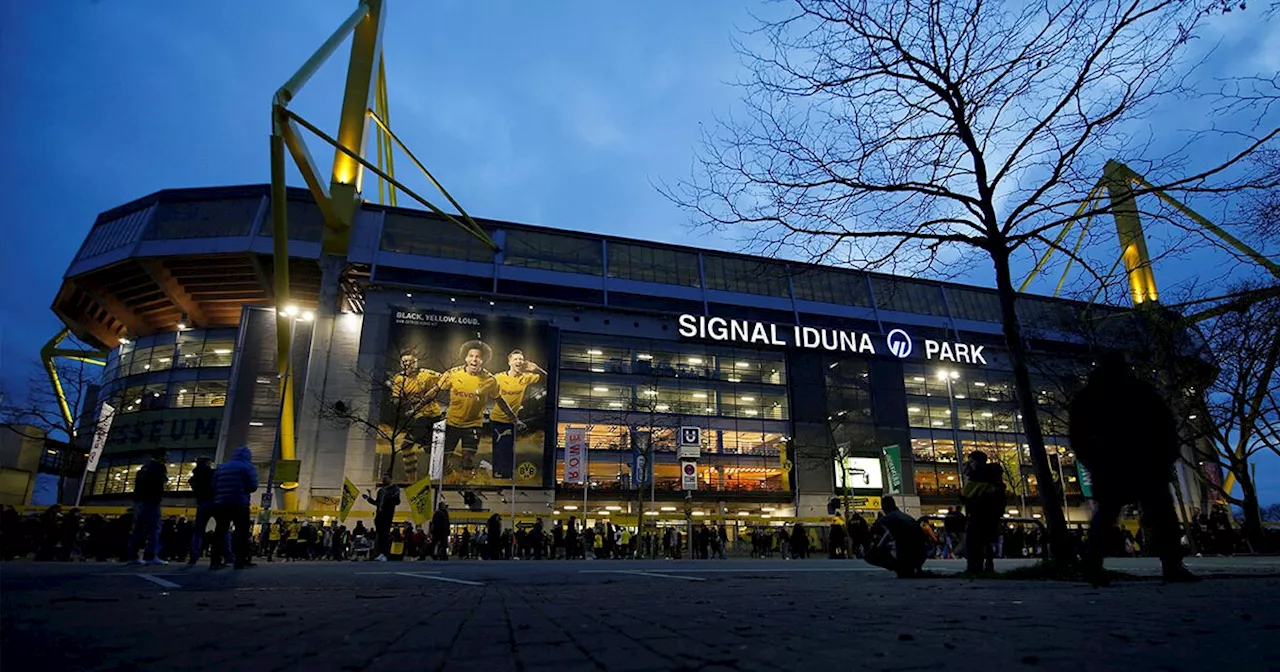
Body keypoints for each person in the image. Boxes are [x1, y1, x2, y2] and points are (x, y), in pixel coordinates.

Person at [1069, 352, 1198, 585]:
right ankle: (1171, 565)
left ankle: (1092, 565)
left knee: (1107, 514)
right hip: (1145, 462)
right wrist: (1166, 456)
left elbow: (1077, 435)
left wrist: (1091, 460)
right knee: (1162, 515)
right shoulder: (1141, 391)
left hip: (1110, 464)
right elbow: (1165, 425)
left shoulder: (1088, 396)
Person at [421, 341, 522, 480]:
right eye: (471, 356)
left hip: (473, 424)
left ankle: (467, 487)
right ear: (466, 358)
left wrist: (514, 418)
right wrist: (418, 405)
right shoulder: (452, 374)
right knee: (443, 459)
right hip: (452, 422)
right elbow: (435, 390)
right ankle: (452, 477)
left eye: (478, 357)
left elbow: (500, 400)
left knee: (468, 459)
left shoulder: (490, 380)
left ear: (483, 360)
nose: (474, 359)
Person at [491, 350, 545, 479]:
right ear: (509, 362)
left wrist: (537, 369)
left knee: (508, 448)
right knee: (498, 448)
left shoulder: (525, 378)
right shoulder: (498, 378)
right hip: (497, 418)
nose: (519, 361)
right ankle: (496, 473)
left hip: (512, 421)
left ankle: (507, 475)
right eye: (515, 359)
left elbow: (548, 379)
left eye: (521, 359)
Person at [211, 446, 259, 570]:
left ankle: (215, 561)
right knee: (241, 533)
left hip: (221, 503)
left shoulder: (222, 467)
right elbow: (253, 486)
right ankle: (240, 561)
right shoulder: (248, 467)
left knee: (220, 531)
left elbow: (214, 485)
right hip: (240, 502)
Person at [960, 451, 1005, 574]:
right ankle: (988, 567)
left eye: (971, 461)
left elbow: (964, 495)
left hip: (976, 515)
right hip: (990, 515)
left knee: (973, 543)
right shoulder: (994, 477)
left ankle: (974, 568)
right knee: (987, 543)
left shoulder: (976, 477)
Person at [865, 496, 928, 578]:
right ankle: (909, 568)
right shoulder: (906, 517)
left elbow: (873, 531)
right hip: (921, 555)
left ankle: (901, 567)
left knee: (870, 555)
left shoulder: (887, 519)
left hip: (907, 555)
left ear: (884, 507)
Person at [126, 448, 169, 566]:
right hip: (152, 500)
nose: (167, 458)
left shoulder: (143, 468)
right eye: (166, 455)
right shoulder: (159, 468)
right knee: (154, 528)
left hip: (140, 501)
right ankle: (151, 555)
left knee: (138, 529)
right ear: (161, 455)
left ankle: (133, 556)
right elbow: (158, 485)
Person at [363, 474, 401, 562]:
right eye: (383, 479)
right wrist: (369, 498)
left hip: (387, 514)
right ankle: (378, 553)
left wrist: (388, 499)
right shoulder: (381, 491)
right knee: (379, 535)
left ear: (391, 479)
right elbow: (377, 503)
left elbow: (397, 501)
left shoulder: (395, 489)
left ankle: (384, 554)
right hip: (379, 515)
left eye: (385, 478)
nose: (383, 480)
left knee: (385, 534)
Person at [187, 457, 216, 565]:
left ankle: (194, 555)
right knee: (222, 528)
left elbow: (193, 486)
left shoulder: (195, 476)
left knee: (198, 530)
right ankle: (225, 555)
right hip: (214, 500)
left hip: (202, 502)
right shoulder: (212, 473)